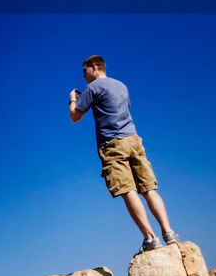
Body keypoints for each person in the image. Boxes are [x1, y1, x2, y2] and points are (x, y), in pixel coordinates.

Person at [69, 55, 178, 254]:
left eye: (84, 71)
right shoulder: (121, 86)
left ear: (94, 67)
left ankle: (150, 238)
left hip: (112, 145)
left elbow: (75, 116)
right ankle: (169, 233)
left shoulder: (92, 89)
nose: (84, 76)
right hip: (134, 139)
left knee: (128, 190)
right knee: (149, 189)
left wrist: (73, 99)